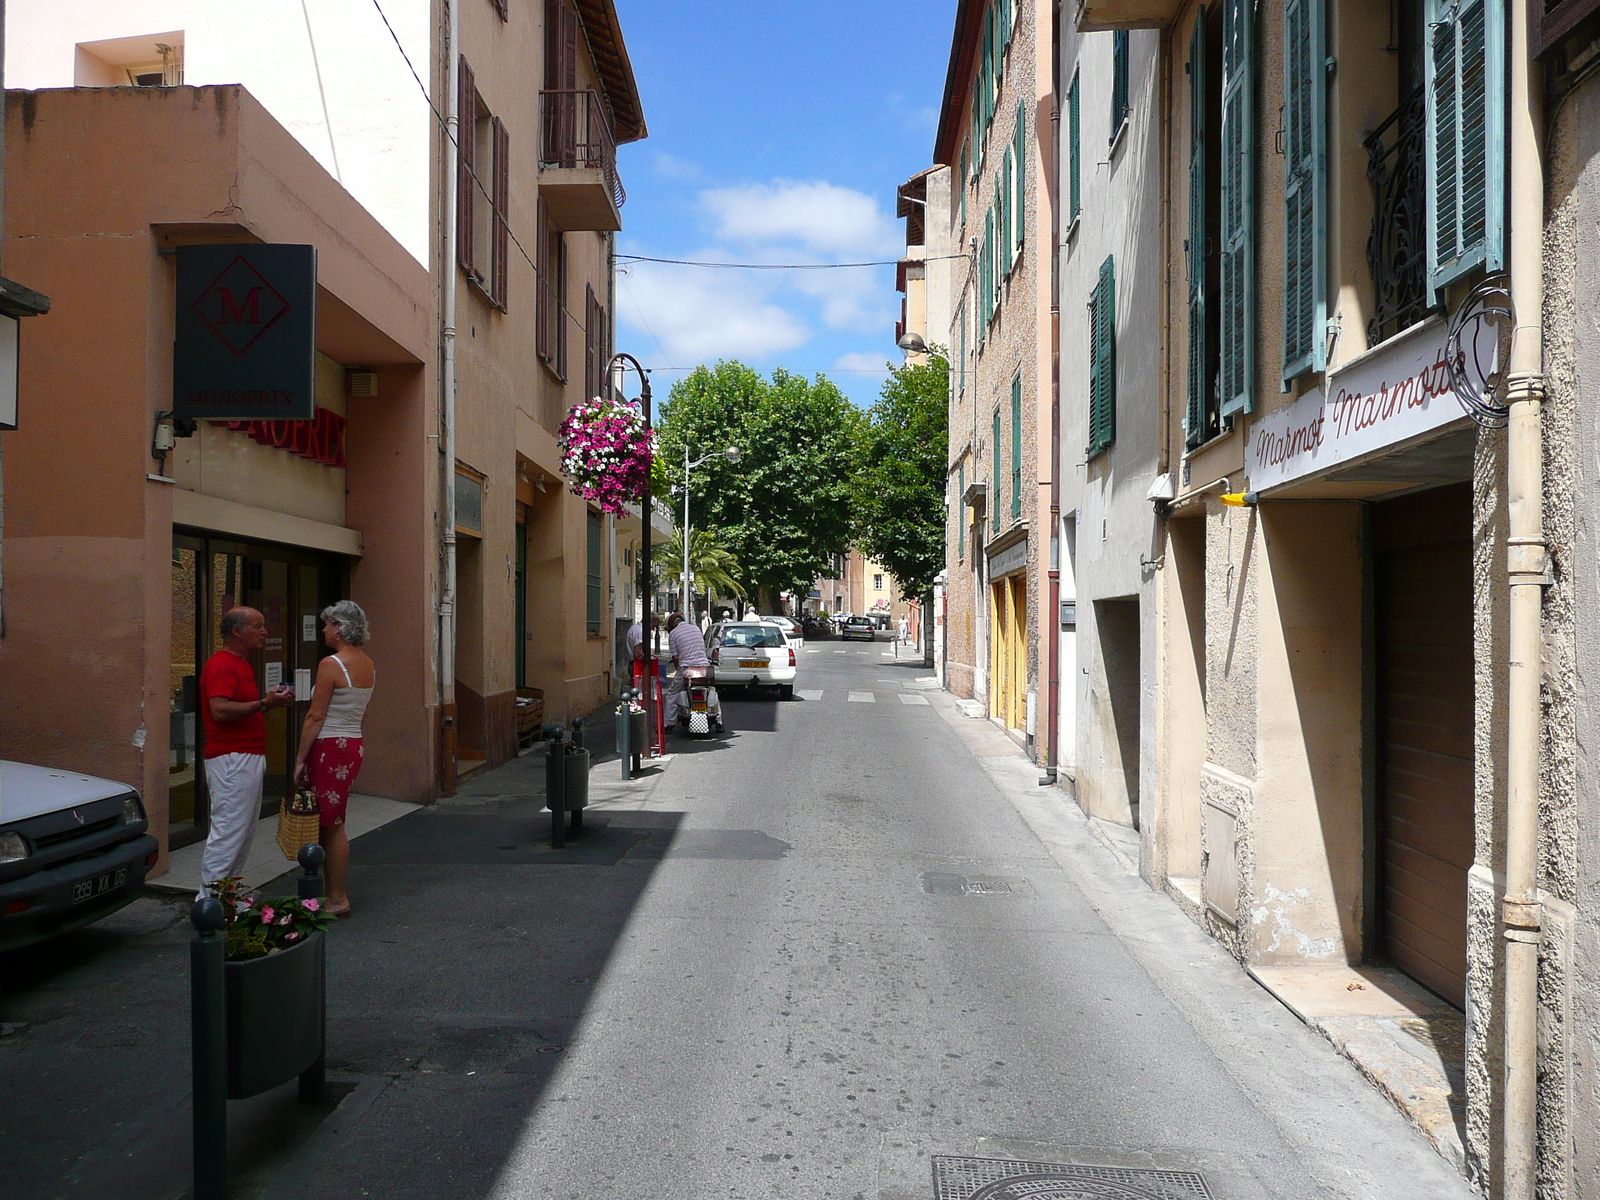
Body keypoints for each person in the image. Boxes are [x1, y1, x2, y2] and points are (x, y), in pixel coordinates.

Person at [198, 607, 295, 896]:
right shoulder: (222, 665)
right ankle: (209, 902)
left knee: (242, 832)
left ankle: (226, 896)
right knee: (229, 832)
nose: (264, 632)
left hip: (244, 755)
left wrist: (268, 702)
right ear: (237, 631)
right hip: (232, 758)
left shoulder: (240, 664)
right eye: (257, 626)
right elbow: (220, 710)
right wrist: (264, 704)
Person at [293, 601, 375, 918]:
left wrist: (300, 758)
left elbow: (315, 716)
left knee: (332, 825)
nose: (324, 630)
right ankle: (331, 894)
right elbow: (362, 713)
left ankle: (337, 898)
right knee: (334, 820)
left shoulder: (331, 664)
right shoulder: (368, 664)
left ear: (339, 627)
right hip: (352, 742)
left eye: (327, 624)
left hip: (329, 745)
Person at [663, 611, 710, 727]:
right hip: (704, 667)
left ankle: (668, 723)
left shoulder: (673, 634)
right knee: (711, 691)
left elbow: (675, 657)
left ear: (671, 625)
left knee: (672, 694)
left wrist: (678, 669)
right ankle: (719, 721)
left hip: (687, 668)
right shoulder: (696, 629)